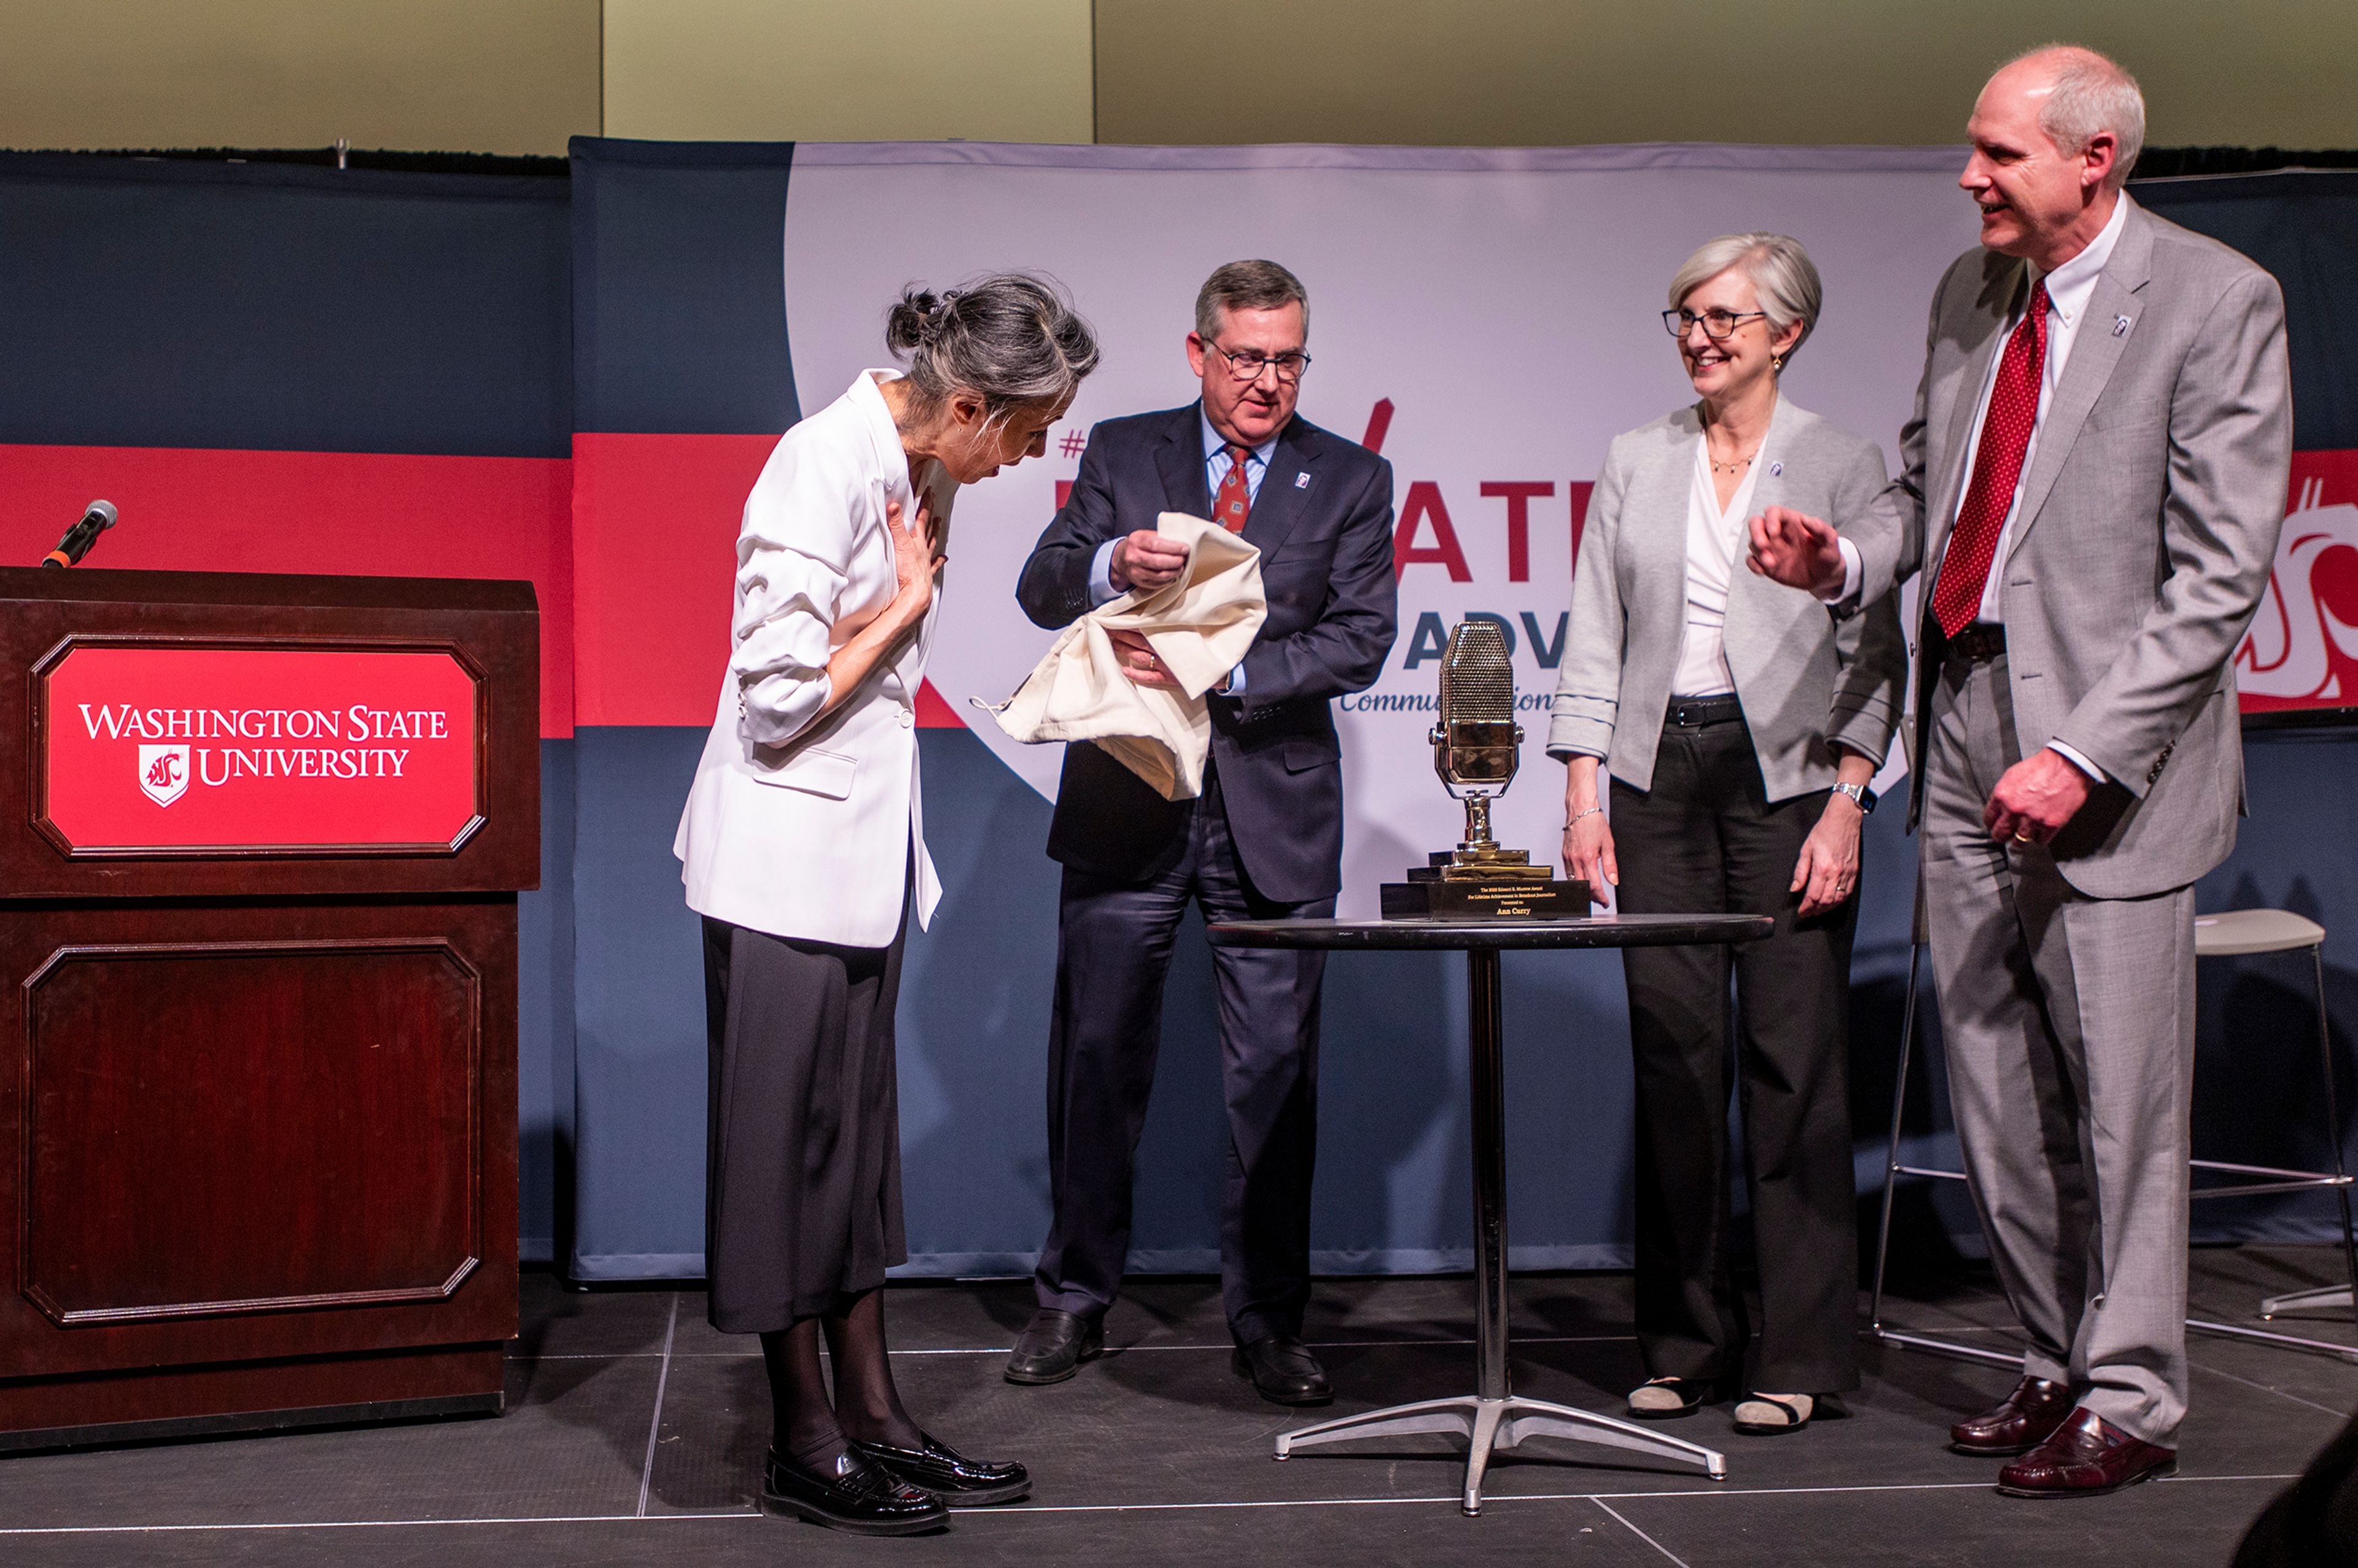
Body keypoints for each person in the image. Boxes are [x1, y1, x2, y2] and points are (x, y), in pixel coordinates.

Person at [1748, 47, 2292, 1497]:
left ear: (2094, 158)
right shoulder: (1966, 293)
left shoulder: (2218, 300)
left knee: (2123, 1099)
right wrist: (1851, 558)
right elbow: (1935, 492)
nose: (1971, 176)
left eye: (1999, 153)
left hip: (2107, 759)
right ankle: (2054, 1356)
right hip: (1966, 720)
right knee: (1996, 1085)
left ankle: (2137, 1391)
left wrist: (2087, 749)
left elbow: (2222, 570)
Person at [674, 274, 1099, 1534]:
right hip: (780, 869)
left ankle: (876, 1416)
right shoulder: (818, 466)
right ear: (967, 403)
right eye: (1025, 432)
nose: (1029, 457)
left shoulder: (926, 465)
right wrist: (907, 605)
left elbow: (838, 651)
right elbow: (773, 695)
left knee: (849, 1160)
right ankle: (805, 1439)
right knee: (783, 1166)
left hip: (856, 866)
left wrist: (888, 610)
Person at [1006, 259, 1397, 1405]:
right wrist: (1105, 564)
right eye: (1246, 358)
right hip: (1128, 797)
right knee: (1094, 1058)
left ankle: (1269, 1320)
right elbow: (1040, 584)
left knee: (1274, 1076)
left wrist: (1218, 672)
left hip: (1270, 811)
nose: (1266, 381)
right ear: (1199, 353)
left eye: (1288, 359)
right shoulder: (1126, 453)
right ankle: (1073, 1300)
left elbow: (1362, 639)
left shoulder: (1353, 477)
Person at [1549, 233, 1905, 1437]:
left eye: (1724, 317)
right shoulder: (1634, 457)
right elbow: (1594, 627)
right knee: (1676, 1061)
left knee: (1795, 1066)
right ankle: (1687, 1343)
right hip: (1658, 775)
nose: (1701, 336)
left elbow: (1879, 651)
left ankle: (1798, 1353)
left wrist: (1852, 797)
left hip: (1793, 781)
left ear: (1784, 333)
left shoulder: (1847, 463)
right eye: (1686, 317)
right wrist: (1585, 792)